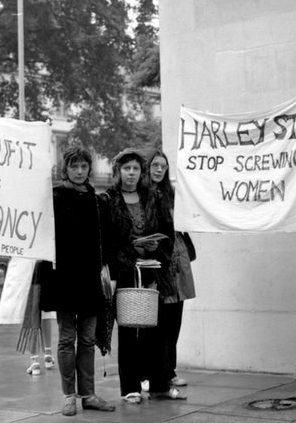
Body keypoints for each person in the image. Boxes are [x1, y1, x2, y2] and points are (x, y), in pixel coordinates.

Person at [102, 148, 185, 404]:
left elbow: (167, 231)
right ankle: (131, 386)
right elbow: (106, 240)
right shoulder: (108, 199)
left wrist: (155, 247)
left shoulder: (151, 197)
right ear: (119, 171)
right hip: (125, 270)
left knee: (157, 327)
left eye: (136, 169)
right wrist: (131, 249)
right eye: (126, 168)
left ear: (141, 172)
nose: (131, 173)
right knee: (128, 329)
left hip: (152, 269)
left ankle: (159, 383)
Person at [38, 146, 115, 416]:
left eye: (84, 166)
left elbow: (106, 240)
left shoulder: (98, 200)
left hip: (90, 279)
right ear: (66, 168)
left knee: (87, 339)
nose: (80, 171)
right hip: (64, 279)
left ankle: (89, 394)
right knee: (66, 338)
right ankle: (69, 395)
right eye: (74, 166)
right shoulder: (54, 197)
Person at [146, 149, 196, 389]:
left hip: (178, 258)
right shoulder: (143, 195)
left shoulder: (172, 194)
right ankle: (156, 372)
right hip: (158, 262)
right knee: (160, 321)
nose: (158, 169)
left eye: (163, 166)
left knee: (175, 318)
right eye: (155, 165)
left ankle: (170, 369)